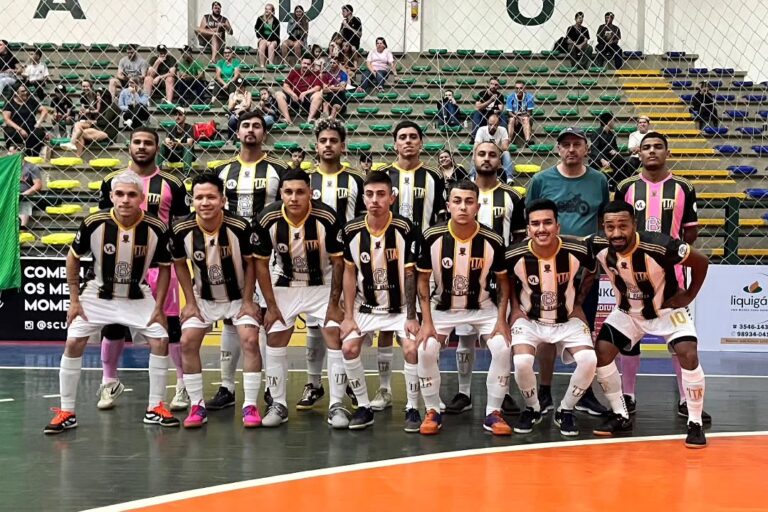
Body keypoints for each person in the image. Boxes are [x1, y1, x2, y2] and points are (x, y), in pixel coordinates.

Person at [43, 170, 178, 434]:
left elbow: (164, 268)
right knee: (73, 341)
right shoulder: (94, 222)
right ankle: (67, 411)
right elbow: (73, 258)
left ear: (141, 197)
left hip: (137, 293)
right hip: (98, 292)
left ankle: (155, 408)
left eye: (131, 194)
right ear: (111, 196)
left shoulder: (157, 227)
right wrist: (74, 300)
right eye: (119, 194)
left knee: (161, 339)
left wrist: (160, 307)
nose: (125, 200)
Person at [590, 200, 709, 448]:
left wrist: (689, 295)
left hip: (666, 311)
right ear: (603, 227)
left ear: (635, 224)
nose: (616, 233)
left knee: (688, 354)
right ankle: (621, 415)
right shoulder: (598, 245)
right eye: (610, 227)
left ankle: (695, 422)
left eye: (623, 226)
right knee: (601, 353)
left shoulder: (660, 245)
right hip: (628, 314)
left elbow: (701, 261)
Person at [614, 131, 710, 422]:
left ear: (667, 152)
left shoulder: (683, 187)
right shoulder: (626, 186)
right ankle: (627, 395)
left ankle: (685, 399)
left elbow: (690, 232)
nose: (652, 151)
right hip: (632, 275)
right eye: (647, 147)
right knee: (630, 339)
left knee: (679, 341)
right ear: (639, 153)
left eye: (658, 147)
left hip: (672, 278)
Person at [95, 128, 190, 412]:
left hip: (161, 266)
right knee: (113, 326)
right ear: (129, 147)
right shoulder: (112, 181)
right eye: (137, 142)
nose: (142, 146)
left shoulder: (172, 182)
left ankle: (182, 385)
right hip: (121, 266)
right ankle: (109, 381)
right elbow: (103, 223)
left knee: (170, 326)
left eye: (148, 142)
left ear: (157, 148)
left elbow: (181, 226)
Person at [416, 180, 512, 436]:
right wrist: (426, 321)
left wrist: (502, 320)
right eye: (457, 201)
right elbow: (422, 280)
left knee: (502, 347)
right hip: (442, 307)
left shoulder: (493, 239)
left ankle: (493, 411)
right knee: (425, 348)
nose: (463, 207)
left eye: (469, 202)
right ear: (448, 206)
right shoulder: (431, 236)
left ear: (477, 206)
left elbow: (503, 282)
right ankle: (433, 409)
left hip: (482, 307)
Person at [526, 127, 610, 417]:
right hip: (547, 267)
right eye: (566, 145)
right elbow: (532, 221)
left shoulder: (599, 180)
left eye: (577, 144)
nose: (571, 149)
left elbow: (602, 223)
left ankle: (584, 393)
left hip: (584, 270)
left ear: (586, 148)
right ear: (558, 149)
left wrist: (598, 260)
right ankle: (545, 390)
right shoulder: (541, 180)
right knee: (547, 329)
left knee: (583, 328)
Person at [209, 111, 289, 410]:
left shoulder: (277, 170)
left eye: (257, 126)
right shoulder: (222, 171)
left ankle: (271, 386)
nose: (251, 130)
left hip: (267, 254)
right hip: (229, 253)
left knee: (267, 317)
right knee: (232, 317)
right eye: (246, 126)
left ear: (264, 132)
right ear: (237, 131)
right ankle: (227, 386)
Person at [254, 169, 345, 427]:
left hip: (322, 283)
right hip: (285, 282)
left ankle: (337, 404)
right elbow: (260, 265)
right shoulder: (267, 217)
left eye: (300, 192)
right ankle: (279, 404)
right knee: (275, 336)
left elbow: (339, 263)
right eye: (288, 192)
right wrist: (270, 306)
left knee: (334, 335)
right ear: (281, 193)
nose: (294, 197)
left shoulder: (326, 216)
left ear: (310, 193)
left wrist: (334, 303)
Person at [172, 174, 261, 429]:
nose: (205, 202)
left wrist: (248, 301)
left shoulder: (240, 227)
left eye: (211, 197)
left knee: (250, 339)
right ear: (192, 201)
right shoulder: (181, 229)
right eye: (199, 197)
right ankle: (197, 405)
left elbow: (251, 263)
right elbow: (179, 265)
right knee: (187, 341)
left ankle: (250, 405)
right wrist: (189, 302)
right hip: (204, 297)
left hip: (238, 295)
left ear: (222, 200)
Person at [446, 141, 525, 416]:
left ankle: (501, 394)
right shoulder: (461, 193)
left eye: (493, 154)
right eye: (482, 154)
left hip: (499, 274)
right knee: (465, 336)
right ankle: (463, 392)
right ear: (474, 158)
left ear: (500, 161)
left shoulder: (512, 197)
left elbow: (517, 240)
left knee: (499, 335)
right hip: (465, 272)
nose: (487, 159)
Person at [507, 199, 598, 436]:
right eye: (535, 224)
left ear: (558, 226)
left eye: (548, 222)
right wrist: (515, 308)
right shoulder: (514, 254)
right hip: (530, 320)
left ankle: (565, 409)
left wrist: (578, 302)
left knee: (589, 360)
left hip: (567, 319)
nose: (541, 229)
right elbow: (504, 279)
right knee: (522, 362)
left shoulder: (577, 248)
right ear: (528, 229)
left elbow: (592, 270)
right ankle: (533, 408)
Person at [338, 171, 420, 430]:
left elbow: (410, 273)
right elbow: (349, 274)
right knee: (349, 348)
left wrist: (410, 316)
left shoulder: (406, 228)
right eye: (370, 195)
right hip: (366, 307)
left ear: (392, 198)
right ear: (363, 199)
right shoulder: (351, 230)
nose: (375, 200)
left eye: (381, 194)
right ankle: (363, 406)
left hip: (401, 307)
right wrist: (349, 316)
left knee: (411, 349)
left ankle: (413, 407)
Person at [296, 119, 366, 411]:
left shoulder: (355, 182)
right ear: (316, 145)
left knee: (345, 325)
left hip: (347, 263)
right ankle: (314, 384)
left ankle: (348, 382)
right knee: (314, 327)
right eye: (323, 140)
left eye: (333, 141)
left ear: (342, 146)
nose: (328, 145)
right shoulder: (305, 183)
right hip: (312, 263)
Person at [61, 90, 120, 157]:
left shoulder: (112, 106)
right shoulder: (99, 106)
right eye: (97, 95)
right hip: (98, 128)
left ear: (105, 96)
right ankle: (72, 144)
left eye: (99, 95)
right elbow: (95, 120)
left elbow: (104, 122)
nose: (98, 97)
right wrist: (87, 115)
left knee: (81, 133)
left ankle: (76, 152)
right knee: (78, 124)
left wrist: (91, 122)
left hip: (107, 132)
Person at [2, 83, 49, 156]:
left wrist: (39, 122)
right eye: (23, 91)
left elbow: (44, 110)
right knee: (8, 131)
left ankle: (30, 153)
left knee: (39, 133)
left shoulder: (31, 101)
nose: (26, 93)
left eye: (26, 91)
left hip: (30, 128)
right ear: (16, 93)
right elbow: (7, 119)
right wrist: (20, 129)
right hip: (16, 129)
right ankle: (15, 150)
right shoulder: (9, 103)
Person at [275, 56, 323, 124]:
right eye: (304, 63)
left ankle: (310, 119)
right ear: (301, 63)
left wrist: (305, 93)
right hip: (293, 99)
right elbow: (285, 86)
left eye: (308, 64)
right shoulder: (294, 72)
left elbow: (318, 87)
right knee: (278, 94)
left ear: (312, 65)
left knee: (319, 95)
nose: (305, 65)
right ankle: (288, 119)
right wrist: (292, 94)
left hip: (307, 100)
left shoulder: (315, 74)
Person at [590, 112, 632, 190]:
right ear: (609, 122)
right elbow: (594, 149)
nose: (614, 122)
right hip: (598, 158)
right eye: (613, 120)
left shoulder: (611, 134)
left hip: (610, 157)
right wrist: (602, 160)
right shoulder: (596, 132)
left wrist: (615, 151)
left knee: (623, 163)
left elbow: (615, 147)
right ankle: (606, 183)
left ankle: (622, 182)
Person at [10, 142, 42, 230]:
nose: (9, 154)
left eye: (12, 152)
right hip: (10, 196)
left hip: (26, 196)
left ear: (19, 153)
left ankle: (22, 229)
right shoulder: (9, 167)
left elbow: (38, 185)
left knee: (24, 205)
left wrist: (25, 193)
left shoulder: (31, 167)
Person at [473, 113, 515, 182]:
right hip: (484, 153)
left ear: (498, 124)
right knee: (475, 153)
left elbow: (505, 148)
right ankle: (473, 177)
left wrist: (494, 145)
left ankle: (509, 178)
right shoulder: (481, 130)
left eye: (495, 125)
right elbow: (476, 146)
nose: (492, 127)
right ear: (487, 123)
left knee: (506, 153)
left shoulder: (503, 130)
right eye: (490, 124)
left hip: (498, 154)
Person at [160, 107, 195, 173]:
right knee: (163, 145)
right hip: (173, 155)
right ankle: (158, 171)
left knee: (187, 147)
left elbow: (189, 144)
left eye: (180, 115)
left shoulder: (189, 127)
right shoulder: (170, 128)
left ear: (185, 117)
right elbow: (167, 140)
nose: (177, 117)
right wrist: (168, 143)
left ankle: (186, 174)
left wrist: (175, 144)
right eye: (176, 115)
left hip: (186, 155)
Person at [505, 80, 535, 145]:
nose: (519, 90)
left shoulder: (529, 97)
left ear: (524, 89)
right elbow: (509, 112)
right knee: (511, 119)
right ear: (514, 89)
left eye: (521, 88)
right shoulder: (510, 97)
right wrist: (516, 117)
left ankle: (527, 140)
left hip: (525, 117)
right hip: (514, 116)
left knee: (526, 119)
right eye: (517, 88)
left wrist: (522, 117)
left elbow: (529, 112)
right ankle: (509, 140)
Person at [255, 3, 281, 68]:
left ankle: (271, 65)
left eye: (269, 9)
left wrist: (270, 41)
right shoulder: (260, 19)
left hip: (274, 39)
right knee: (262, 44)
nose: (266, 10)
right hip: (263, 39)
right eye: (266, 9)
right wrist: (260, 38)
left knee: (271, 46)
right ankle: (262, 65)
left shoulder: (276, 21)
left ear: (272, 11)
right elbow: (256, 29)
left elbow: (276, 34)